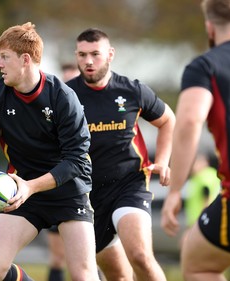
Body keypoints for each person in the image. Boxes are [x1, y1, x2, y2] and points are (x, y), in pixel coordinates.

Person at [0, 22, 100, 281]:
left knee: (84, 276)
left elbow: (76, 160)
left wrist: (32, 186)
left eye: (4, 57)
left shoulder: (63, 97)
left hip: (68, 192)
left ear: (25, 59)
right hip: (21, 191)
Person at [160, 0, 230, 280]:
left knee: (198, 264)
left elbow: (188, 121)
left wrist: (175, 191)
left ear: (210, 28)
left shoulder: (206, 65)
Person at [67, 28, 175, 281]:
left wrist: (163, 160)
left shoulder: (132, 91)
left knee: (140, 257)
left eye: (96, 54)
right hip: (87, 195)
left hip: (130, 184)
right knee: (118, 276)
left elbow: (168, 120)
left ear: (110, 54)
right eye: (82, 55)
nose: (89, 61)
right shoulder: (65, 95)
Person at [46, 62, 80, 281]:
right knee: (57, 257)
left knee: (87, 261)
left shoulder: (86, 113)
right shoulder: (51, 108)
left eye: (73, 80)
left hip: (82, 193)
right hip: (55, 188)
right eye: (65, 80)